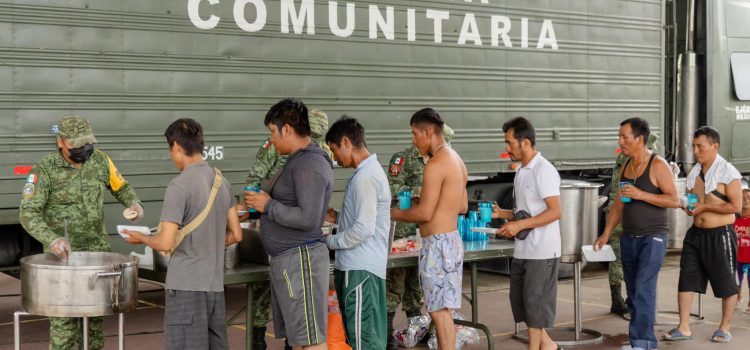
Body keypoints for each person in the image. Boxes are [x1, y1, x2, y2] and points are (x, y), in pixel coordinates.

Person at [19, 115, 143, 350]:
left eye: (87, 142)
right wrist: (52, 239)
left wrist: (134, 204)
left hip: (96, 259)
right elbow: (28, 212)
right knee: (64, 328)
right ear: (61, 142)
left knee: (94, 326)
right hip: (63, 261)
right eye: (76, 144)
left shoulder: (101, 161)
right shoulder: (45, 170)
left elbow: (122, 187)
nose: (84, 149)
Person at [124, 118, 242, 350]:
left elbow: (165, 240)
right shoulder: (222, 181)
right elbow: (237, 234)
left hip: (187, 286)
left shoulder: (179, 186)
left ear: (177, 146)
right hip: (214, 287)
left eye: (171, 150)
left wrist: (143, 238)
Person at [245, 99, 333, 350]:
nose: (271, 139)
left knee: (312, 341)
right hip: (289, 261)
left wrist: (267, 206)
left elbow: (308, 218)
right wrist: (253, 210)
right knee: (299, 340)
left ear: (286, 129)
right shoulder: (296, 160)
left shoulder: (311, 163)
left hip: (301, 260)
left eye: (272, 131)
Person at [594, 117, 679, 350]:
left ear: (639, 139)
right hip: (629, 237)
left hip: (653, 238)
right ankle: (638, 342)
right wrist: (606, 233)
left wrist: (642, 194)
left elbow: (674, 200)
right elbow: (619, 206)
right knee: (633, 292)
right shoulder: (626, 166)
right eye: (620, 136)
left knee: (643, 288)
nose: (620, 141)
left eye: (624, 137)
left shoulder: (658, 165)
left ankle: (645, 342)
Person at [391, 108, 468, 350]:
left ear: (427, 132)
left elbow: (424, 214)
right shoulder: (456, 159)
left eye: (415, 134)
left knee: (439, 313)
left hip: (437, 245)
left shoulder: (435, 164)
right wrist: (427, 201)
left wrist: (390, 213)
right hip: (451, 241)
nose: (414, 140)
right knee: (443, 311)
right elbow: (462, 206)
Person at [661, 126, 743, 344]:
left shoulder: (729, 173)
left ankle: (724, 327)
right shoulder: (695, 172)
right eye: (694, 146)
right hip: (695, 234)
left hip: (721, 234)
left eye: (701, 147)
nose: (696, 151)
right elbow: (692, 200)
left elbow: (736, 207)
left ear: (714, 146)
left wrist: (705, 208)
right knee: (686, 278)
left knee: (726, 282)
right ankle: (684, 327)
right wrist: (688, 207)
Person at [491, 117, 561, 350]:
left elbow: (555, 212)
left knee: (534, 309)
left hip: (542, 251)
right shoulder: (522, 171)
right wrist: (503, 214)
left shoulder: (544, 170)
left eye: (510, 143)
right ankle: (550, 347)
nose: (506, 148)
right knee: (522, 305)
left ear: (526, 142)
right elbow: (525, 213)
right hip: (523, 250)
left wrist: (518, 226)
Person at [323, 116, 391, 350]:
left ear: (345, 142)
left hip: (360, 270)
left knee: (364, 341)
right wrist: (339, 216)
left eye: (333, 150)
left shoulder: (365, 177)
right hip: (360, 269)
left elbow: (363, 229)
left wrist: (329, 241)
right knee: (363, 337)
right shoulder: (367, 172)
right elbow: (364, 217)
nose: (334, 157)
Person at [605, 134, 659, 318]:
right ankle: (619, 300)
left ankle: (621, 299)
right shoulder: (630, 160)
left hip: (621, 207)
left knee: (620, 258)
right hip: (622, 209)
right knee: (620, 259)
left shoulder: (628, 158)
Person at [736, 188, 750, 313]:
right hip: (737, 258)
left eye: (748, 198)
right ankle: (737, 297)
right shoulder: (734, 219)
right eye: (742, 198)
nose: (745, 201)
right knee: (737, 281)